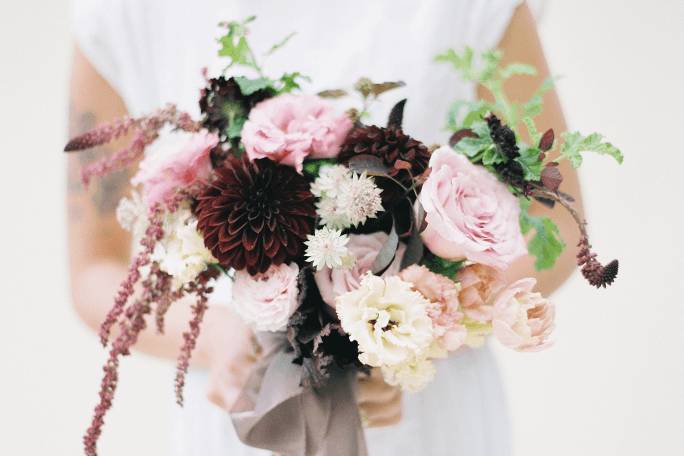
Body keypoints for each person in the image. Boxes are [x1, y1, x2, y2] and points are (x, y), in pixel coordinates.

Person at [67, 1, 582, 454]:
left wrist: (413, 335)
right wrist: (218, 341)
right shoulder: (126, 10)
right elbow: (95, 268)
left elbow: (557, 221)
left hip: (428, 411)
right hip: (242, 413)